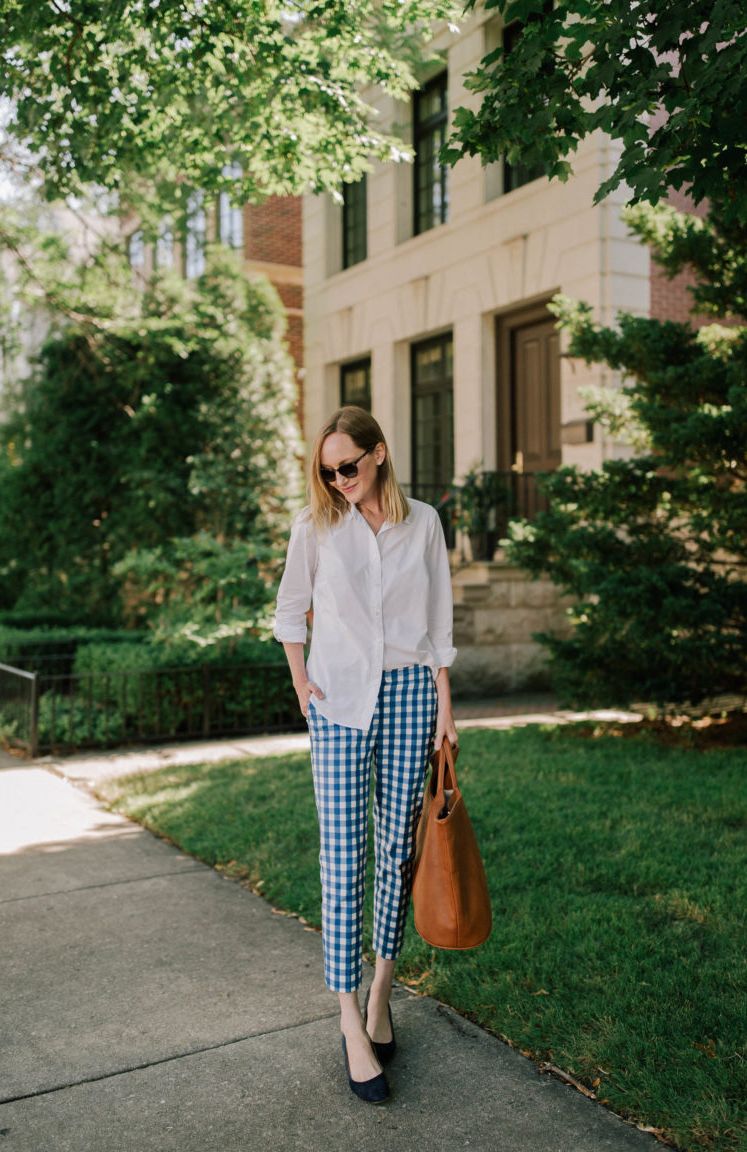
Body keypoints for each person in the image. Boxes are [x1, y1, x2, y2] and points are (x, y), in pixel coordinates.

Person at [273, 405, 458, 1104]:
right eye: (328, 470)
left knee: (396, 854)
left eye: (348, 465)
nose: (339, 479)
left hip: (412, 694)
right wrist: (302, 688)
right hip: (339, 702)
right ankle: (349, 1020)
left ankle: (382, 989)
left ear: (380, 454)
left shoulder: (425, 525)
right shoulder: (314, 527)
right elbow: (291, 614)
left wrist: (446, 709)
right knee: (342, 856)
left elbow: (438, 626)